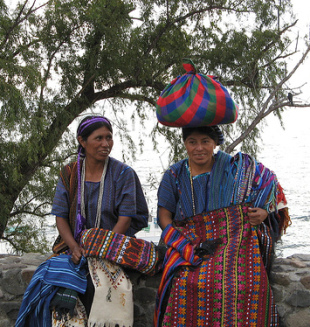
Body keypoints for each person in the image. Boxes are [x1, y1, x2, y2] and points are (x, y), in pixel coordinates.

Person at [154, 60, 291, 327]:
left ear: (216, 143)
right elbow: (163, 216)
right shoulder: (174, 175)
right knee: (185, 286)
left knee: (245, 287)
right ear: (184, 143)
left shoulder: (238, 167)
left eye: (206, 141)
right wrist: (183, 245)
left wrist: (263, 211)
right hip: (190, 247)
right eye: (192, 142)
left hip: (233, 249)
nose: (199, 148)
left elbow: (271, 184)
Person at [50, 115, 149, 325]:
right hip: (75, 248)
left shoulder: (123, 174)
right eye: (99, 138)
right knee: (49, 286)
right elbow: (60, 216)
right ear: (82, 141)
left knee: (99, 288)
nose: (106, 144)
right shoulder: (69, 173)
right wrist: (74, 247)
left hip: (111, 246)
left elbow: (126, 218)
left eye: (109, 137)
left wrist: (102, 248)